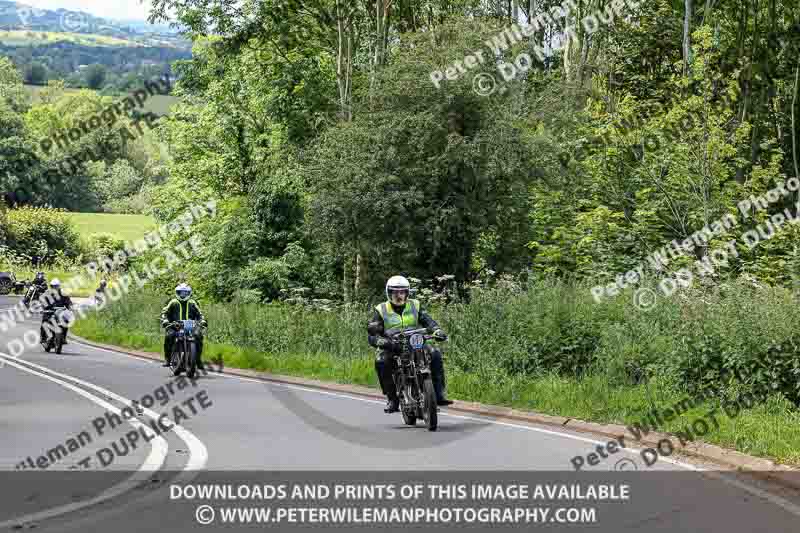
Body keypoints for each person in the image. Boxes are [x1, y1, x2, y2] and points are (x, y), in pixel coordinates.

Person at [368, 275, 453, 413]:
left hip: (416, 341)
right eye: (395, 292)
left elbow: (428, 320)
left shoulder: (415, 304)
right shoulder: (381, 309)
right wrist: (379, 340)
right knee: (381, 361)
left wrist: (437, 330)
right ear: (389, 293)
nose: (399, 295)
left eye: (402, 292)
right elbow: (373, 332)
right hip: (393, 345)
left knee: (435, 354)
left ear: (407, 292)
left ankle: (438, 394)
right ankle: (392, 399)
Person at [160, 283, 207, 369]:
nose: (183, 294)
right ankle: (167, 358)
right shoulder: (173, 302)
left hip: (190, 326)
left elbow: (200, 314)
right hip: (174, 325)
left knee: (198, 335)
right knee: (169, 336)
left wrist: (202, 321)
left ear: (189, 293)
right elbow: (164, 312)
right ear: (177, 293)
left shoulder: (192, 302)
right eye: (181, 292)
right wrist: (165, 320)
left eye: (185, 293)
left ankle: (198, 360)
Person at [40, 279, 73, 344]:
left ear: (59, 286)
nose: (55, 287)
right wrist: (43, 308)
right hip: (49, 311)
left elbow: (68, 302)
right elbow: (43, 302)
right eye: (53, 286)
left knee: (66, 321)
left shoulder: (63, 294)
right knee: (44, 321)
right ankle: (43, 338)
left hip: (60, 312)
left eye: (56, 286)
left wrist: (70, 308)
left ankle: (63, 337)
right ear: (51, 286)